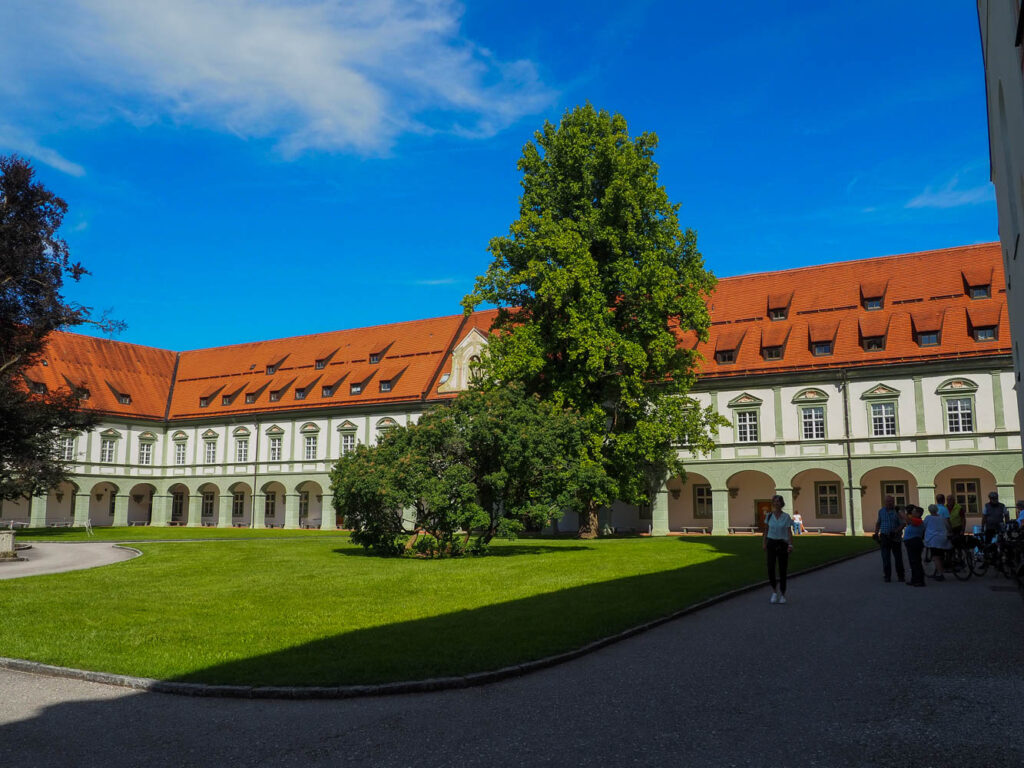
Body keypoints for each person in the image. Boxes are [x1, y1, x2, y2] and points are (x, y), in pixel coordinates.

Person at [762, 494, 793, 604]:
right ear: (773, 503)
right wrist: (764, 543)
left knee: (782, 569)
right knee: (770, 568)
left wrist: (790, 545)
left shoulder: (786, 517)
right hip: (771, 543)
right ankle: (774, 592)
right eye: (775, 501)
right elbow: (766, 530)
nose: (777, 503)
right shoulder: (769, 516)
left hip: (783, 544)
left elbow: (789, 532)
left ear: (782, 503)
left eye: (778, 501)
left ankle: (783, 594)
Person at [874, 495, 905, 583]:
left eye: (891, 501)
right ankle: (887, 576)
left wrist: (895, 531)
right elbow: (878, 523)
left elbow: (903, 524)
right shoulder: (881, 511)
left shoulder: (897, 512)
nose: (890, 503)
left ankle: (901, 576)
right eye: (888, 501)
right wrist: (876, 533)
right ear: (885, 502)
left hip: (895, 537)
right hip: (884, 536)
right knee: (885, 558)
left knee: (898, 558)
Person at [923, 503, 952, 580]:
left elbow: (923, 526)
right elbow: (948, 527)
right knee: (941, 555)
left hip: (933, 540)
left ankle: (940, 574)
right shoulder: (942, 517)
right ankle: (942, 568)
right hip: (943, 538)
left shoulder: (928, 518)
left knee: (936, 557)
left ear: (929, 510)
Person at [903, 505, 926, 587]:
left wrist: (900, 512)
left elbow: (907, 520)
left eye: (914, 511)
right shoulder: (915, 519)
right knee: (913, 562)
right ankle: (914, 579)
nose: (912, 512)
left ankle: (920, 581)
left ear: (918, 514)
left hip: (915, 542)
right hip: (911, 542)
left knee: (916, 562)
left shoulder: (918, 521)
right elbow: (907, 520)